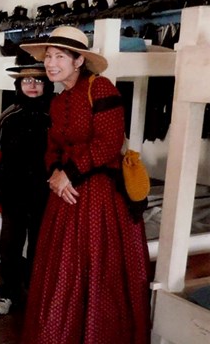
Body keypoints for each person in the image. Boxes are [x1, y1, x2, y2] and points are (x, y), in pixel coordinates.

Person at [18, 26, 150, 343]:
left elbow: (108, 142)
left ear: (79, 61)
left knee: (97, 269)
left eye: (59, 56)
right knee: (62, 268)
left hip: (99, 193)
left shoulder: (101, 88)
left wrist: (69, 174)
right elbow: (52, 147)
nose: (50, 63)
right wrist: (54, 175)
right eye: (48, 56)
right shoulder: (58, 100)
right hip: (66, 191)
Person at [0, 53, 53, 315]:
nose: (32, 85)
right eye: (26, 80)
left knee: (39, 247)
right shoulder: (9, 116)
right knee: (9, 246)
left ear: (47, 83)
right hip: (14, 193)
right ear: (18, 85)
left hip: (46, 194)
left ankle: (36, 294)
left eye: (38, 80)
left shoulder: (54, 114)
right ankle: (9, 291)